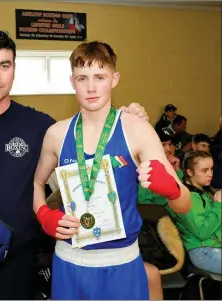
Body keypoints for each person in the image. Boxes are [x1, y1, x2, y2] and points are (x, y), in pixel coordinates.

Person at [0, 30, 150, 300]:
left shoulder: (40, 125)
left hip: (19, 271)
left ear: (14, 69)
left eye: (4, 65)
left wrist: (128, 123)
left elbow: (85, 140)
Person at [33, 41, 191, 300]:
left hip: (122, 265)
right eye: (82, 78)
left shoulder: (136, 129)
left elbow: (184, 204)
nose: (91, 87)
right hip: (69, 263)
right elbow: (37, 183)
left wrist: (172, 189)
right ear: (72, 81)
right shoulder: (57, 134)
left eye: (100, 77)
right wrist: (43, 214)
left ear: (114, 79)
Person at [177, 151, 221, 274]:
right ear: (190, 172)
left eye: (211, 169)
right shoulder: (189, 197)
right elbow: (202, 232)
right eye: (204, 170)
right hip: (204, 251)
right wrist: (218, 206)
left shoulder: (204, 192)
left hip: (214, 246)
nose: (210, 174)